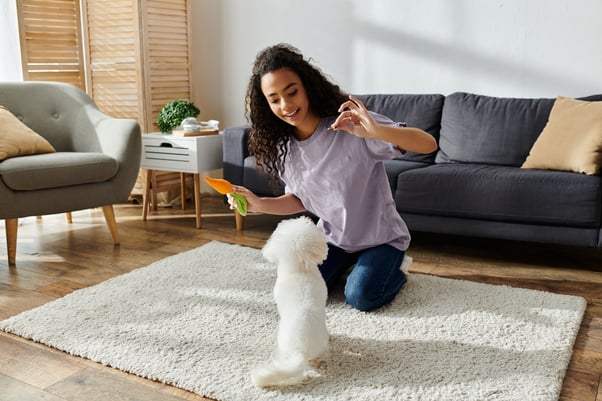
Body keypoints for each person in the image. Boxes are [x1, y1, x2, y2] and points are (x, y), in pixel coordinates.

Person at [228, 43, 438, 311]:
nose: (286, 105)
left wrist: (376, 132)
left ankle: (394, 268)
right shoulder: (284, 147)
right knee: (304, 291)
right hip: (333, 239)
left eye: (292, 92)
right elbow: (299, 199)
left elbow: (428, 144)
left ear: (307, 86)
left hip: (382, 239)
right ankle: (352, 266)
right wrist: (258, 203)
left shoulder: (349, 124)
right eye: (275, 99)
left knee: (360, 296)